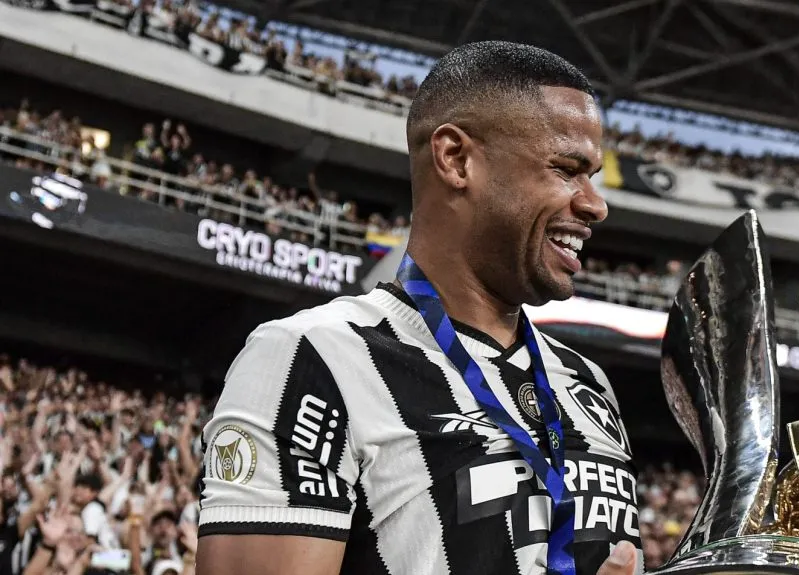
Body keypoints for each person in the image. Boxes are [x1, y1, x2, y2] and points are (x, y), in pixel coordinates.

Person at [196, 40, 640, 575]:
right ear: (456, 159)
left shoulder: (586, 381)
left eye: (592, 176)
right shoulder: (314, 357)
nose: (595, 203)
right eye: (567, 169)